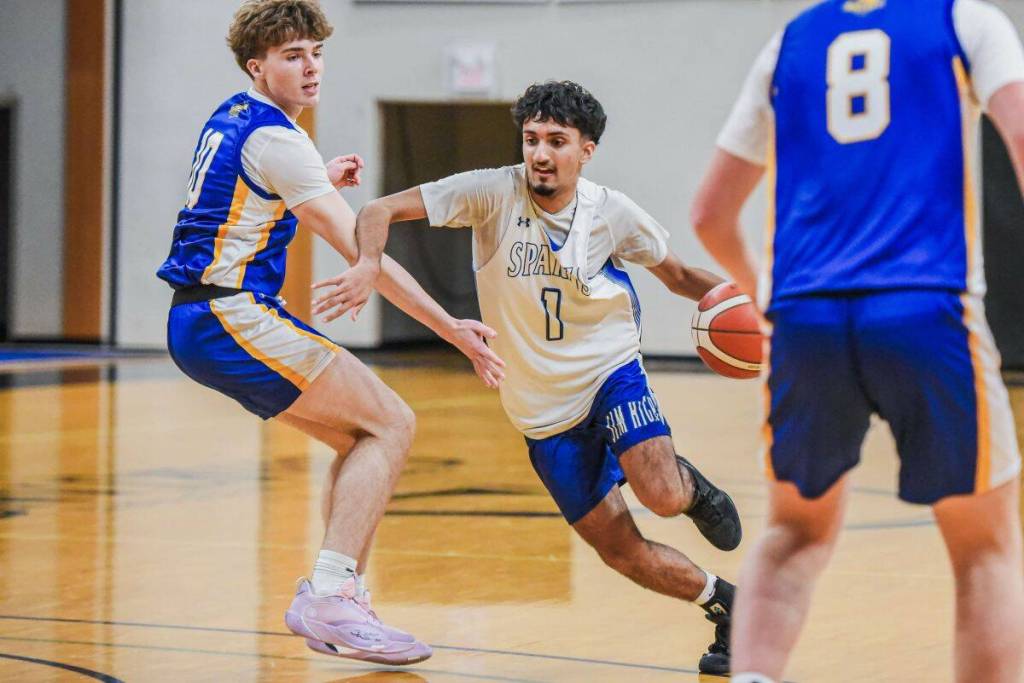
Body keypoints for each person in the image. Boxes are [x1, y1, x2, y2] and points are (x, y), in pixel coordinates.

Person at [314, 80, 743, 675]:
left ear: (585, 150)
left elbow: (675, 275)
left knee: (663, 496)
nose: (540, 153)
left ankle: (690, 487)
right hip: (541, 412)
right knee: (620, 551)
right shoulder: (491, 192)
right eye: (532, 139)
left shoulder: (611, 211)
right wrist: (367, 263)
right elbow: (379, 208)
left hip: (608, 371)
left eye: (557, 142)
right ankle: (728, 607)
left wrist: (744, 304)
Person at [156, 0, 505, 665]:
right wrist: (454, 328)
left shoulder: (235, 115)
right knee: (393, 422)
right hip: (229, 314)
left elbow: (241, 193)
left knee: (360, 435)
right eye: (293, 55)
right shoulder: (279, 141)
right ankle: (331, 596)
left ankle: (336, 595)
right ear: (258, 66)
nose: (312, 65)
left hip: (201, 315)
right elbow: (361, 251)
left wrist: (318, 180)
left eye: (317, 51)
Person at [689, 1, 1024, 681]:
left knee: (791, 536)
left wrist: (763, 299)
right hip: (926, 309)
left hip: (805, 318)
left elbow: (709, 214)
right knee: (985, 550)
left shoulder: (790, 42)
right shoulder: (967, 21)